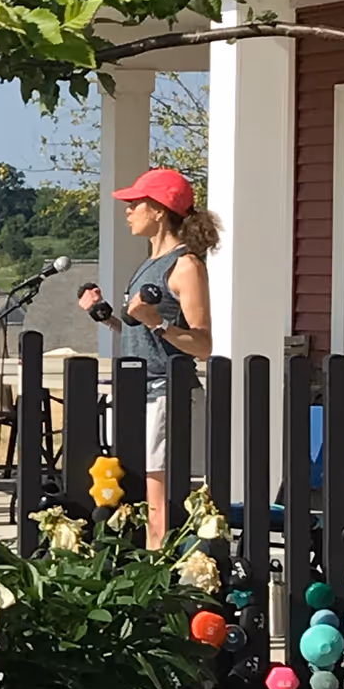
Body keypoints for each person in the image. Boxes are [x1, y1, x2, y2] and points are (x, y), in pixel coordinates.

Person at [77, 167, 219, 548]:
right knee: (136, 489)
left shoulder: (185, 265)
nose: (128, 211)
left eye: (135, 203)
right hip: (138, 390)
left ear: (158, 210)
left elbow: (202, 344)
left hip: (164, 392)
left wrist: (156, 323)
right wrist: (107, 318)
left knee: (157, 497)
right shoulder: (148, 264)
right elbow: (143, 333)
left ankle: (158, 574)